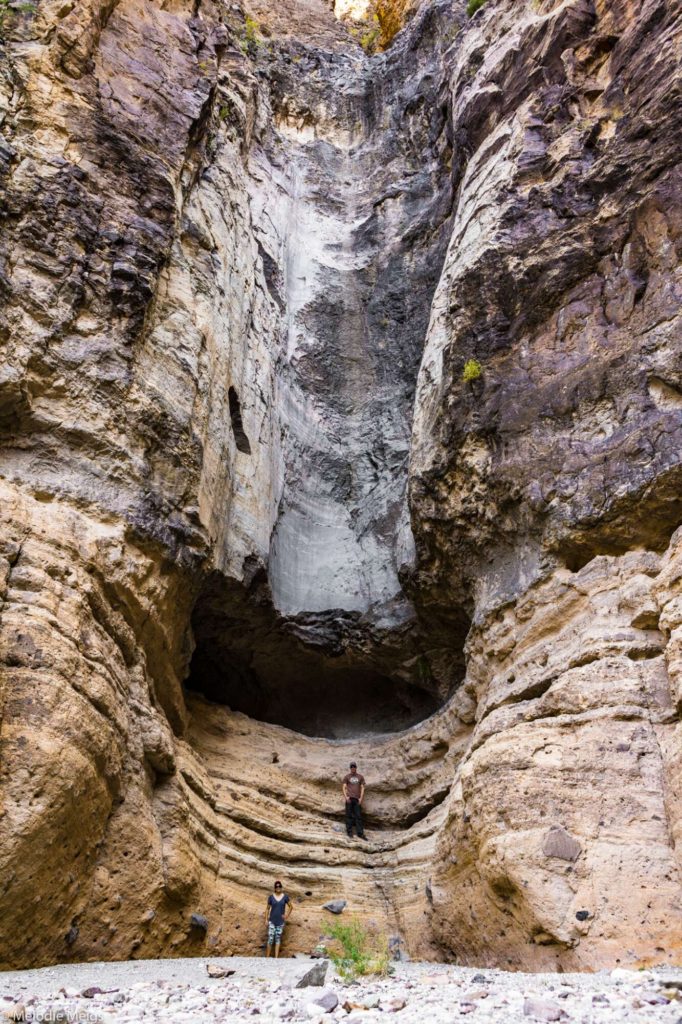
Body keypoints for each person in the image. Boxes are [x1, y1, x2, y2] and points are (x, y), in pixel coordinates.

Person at [265, 879, 292, 958]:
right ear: (274, 888)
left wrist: (286, 915)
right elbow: (267, 909)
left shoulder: (285, 897)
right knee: (270, 938)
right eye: (277, 887)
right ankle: (267, 957)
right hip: (272, 921)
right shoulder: (271, 897)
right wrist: (266, 919)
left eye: (279, 886)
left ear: (281, 887)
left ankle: (276, 958)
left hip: (280, 922)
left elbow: (291, 907)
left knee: (277, 939)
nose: (278, 888)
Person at [343, 761, 367, 840]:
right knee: (349, 816)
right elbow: (344, 787)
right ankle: (349, 833)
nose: (353, 768)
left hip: (357, 799)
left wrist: (361, 798)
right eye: (351, 767)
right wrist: (346, 797)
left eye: (354, 767)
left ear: (356, 768)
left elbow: (363, 787)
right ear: (350, 768)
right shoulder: (347, 776)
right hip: (349, 798)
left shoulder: (360, 777)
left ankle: (360, 834)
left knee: (358, 817)